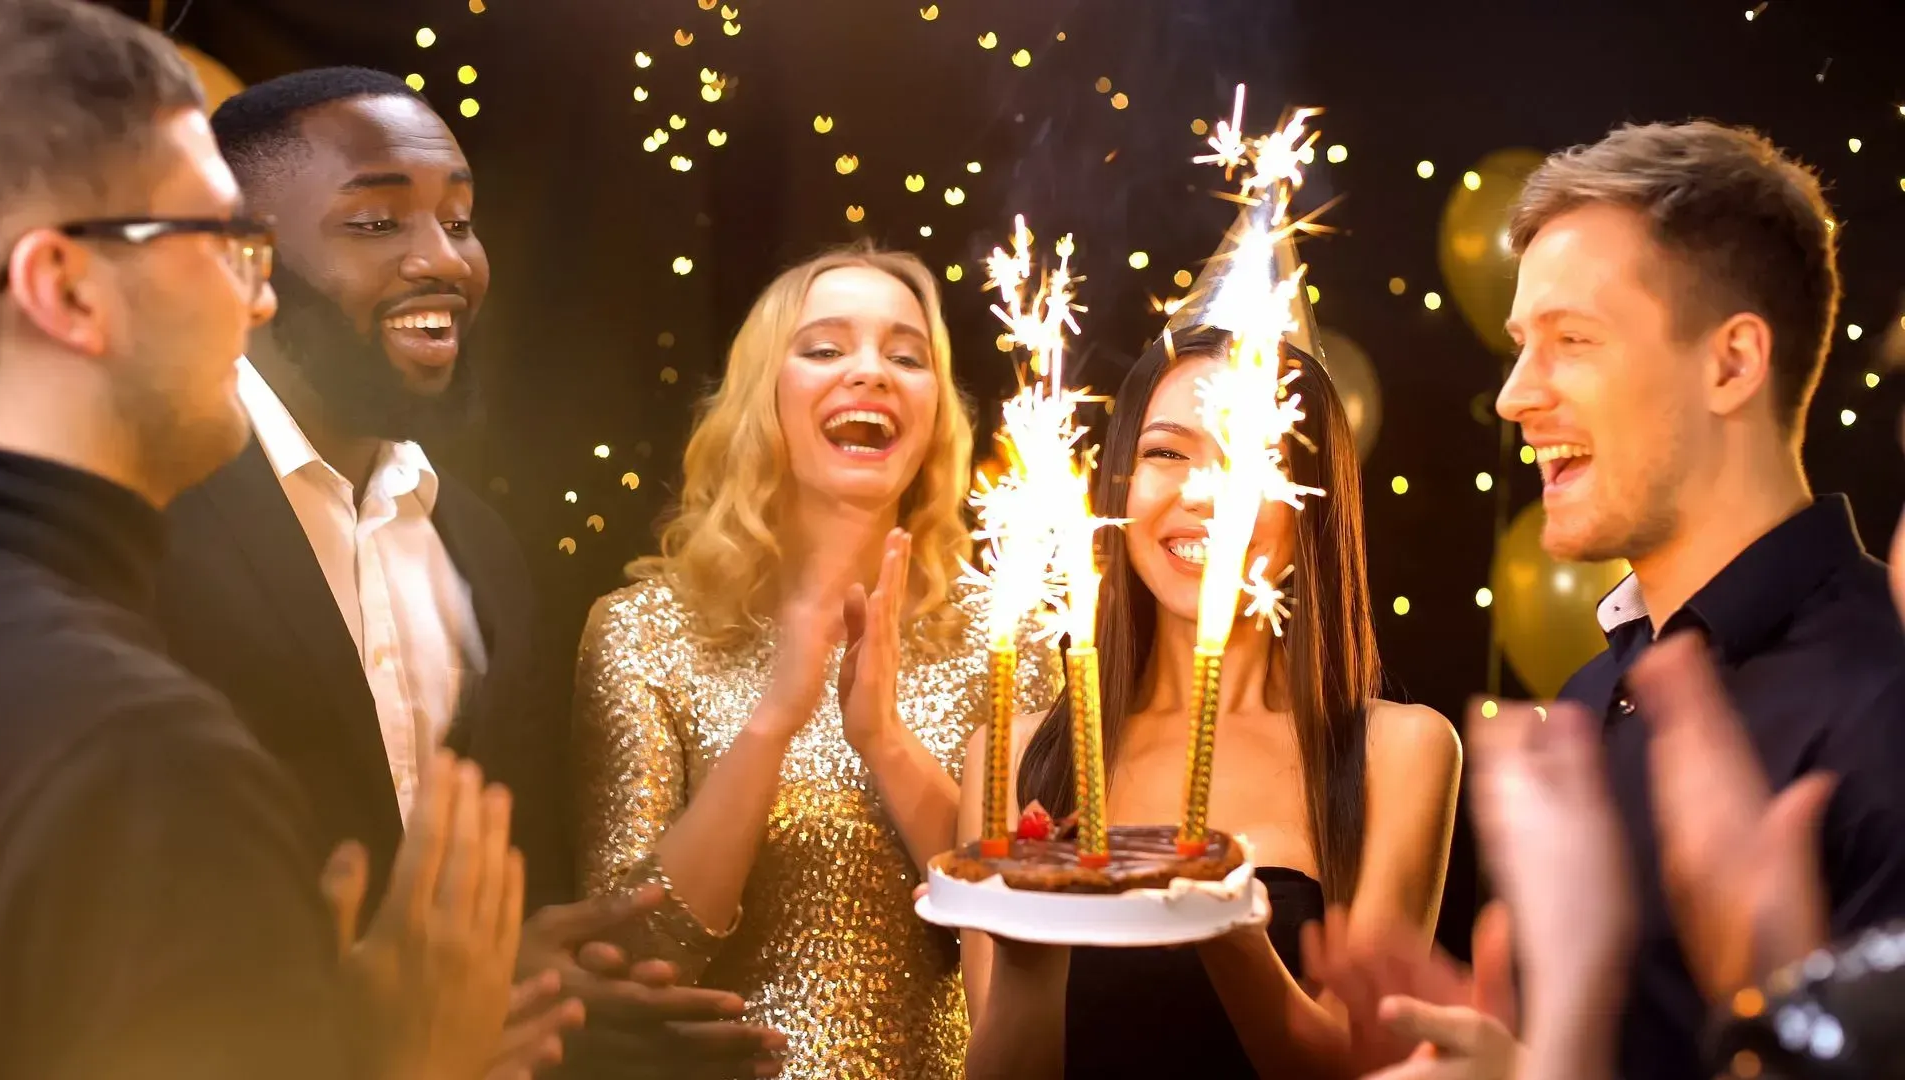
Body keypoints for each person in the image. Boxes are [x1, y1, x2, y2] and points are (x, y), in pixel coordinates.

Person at [165, 67, 776, 1076]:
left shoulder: (480, 550)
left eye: (459, 220)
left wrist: (538, 984)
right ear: (243, 262)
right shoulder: (147, 505)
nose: (444, 260)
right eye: (376, 224)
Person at [0, 3, 529, 1075]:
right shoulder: (140, 754)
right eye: (221, 239)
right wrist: (399, 1062)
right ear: (66, 288)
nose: (260, 294)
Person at [574, 245, 1058, 1078]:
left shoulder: (1007, 637)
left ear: (936, 417)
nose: (870, 372)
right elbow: (632, 961)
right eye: (826, 348)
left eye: (907, 357)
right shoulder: (642, 632)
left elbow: (1031, 951)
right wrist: (774, 721)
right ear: (763, 397)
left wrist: (885, 741)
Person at [1493, 118, 1905, 1080]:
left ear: (1732, 364)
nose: (1514, 396)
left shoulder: (1885, 700)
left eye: (1571, 340)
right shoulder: (1589, 695)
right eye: (1521, 345)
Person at [961, 327, 1464, 1079]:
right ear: (1119, 484)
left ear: (1311, 504)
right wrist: (1029, 953)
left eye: (1253, 457)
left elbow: (1362, 1066)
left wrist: (1230, 930)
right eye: (1167, 452)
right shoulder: (1016, 756)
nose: (1202, 493)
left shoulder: (1398, 750)